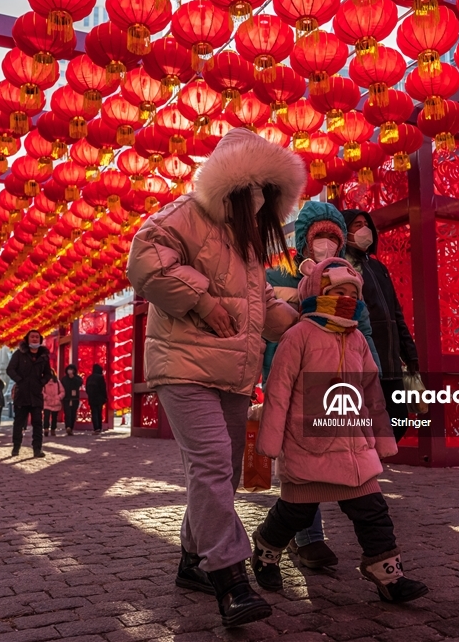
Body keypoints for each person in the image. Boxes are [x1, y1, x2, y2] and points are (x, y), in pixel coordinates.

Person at [127, 127, 303, 628]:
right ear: (227, 182)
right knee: (210, 465)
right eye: (251, 190)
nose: (258, 202)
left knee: (218, 472)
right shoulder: (185, 214)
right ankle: (230, 579)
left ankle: (191, 561)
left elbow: (258, 304)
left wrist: (299, 321)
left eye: (267, 194)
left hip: (231, 372)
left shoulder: (249, 243)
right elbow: (144, 261)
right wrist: (201, 299)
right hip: (182, 367)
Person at [252, 257, 429, 604]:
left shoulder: (358, 339)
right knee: (295, 513)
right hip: (308, 444)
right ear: (318, 292)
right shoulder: (298, 334)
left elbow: (372, 395)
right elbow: (279, 390)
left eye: (353, 292)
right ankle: (266, 549)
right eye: (338, 291)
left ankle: (388, 576)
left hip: (355, 447)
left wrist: (383, 440)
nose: (348, 297)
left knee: (373, 511)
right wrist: (270, 443)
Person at [264, 200, 382, 571]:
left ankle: (380, 556)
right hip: (299, 385)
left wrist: (373, 380)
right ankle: (307, 537)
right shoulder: (278, 277)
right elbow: (272, 336)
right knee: (305, 460)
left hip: (341, 387)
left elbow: (363, 331)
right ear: (304, 240)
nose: (328, 244)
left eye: (335, 238)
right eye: (320, 238)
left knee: (343, 454)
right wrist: (271, 381)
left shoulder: (348, 276)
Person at [342, 209, 420, 441]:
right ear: (344, 230)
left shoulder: (379, 268)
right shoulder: (342, 266)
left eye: (366, 224)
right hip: (364, 358)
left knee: (399, 420)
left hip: (391, 361)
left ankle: (370, 464)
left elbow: (396, 314)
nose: (364, 229)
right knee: (365, 421)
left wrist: (410, 353)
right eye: (357, 224)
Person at [6, 329, 53, 458]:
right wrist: (20, 380)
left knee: (38, 423)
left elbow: (48, 373)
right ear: (27, 339)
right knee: (19, 422)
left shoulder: (43, 356)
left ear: (40, 340)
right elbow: (10, 369)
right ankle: (16, 447)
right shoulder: (19, 354)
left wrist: (41, 382)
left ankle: (37, 449)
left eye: (37, 337)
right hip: (22, 394)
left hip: (36, 394)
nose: (34, 339)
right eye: (32, 337)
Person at [84, 364, 108, 435]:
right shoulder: (100, 377)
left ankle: (96, 428)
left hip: (92, 398)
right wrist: (105, 397)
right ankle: (99, 427)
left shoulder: (89, 378)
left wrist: (90, 395)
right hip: (99, 398)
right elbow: (103, 389)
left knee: (94, 413)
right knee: (99, 413)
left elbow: (87, 389)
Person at [60, 365, 83, 436]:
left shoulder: (78, 378)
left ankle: (71, 428)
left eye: (71, 369)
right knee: (67, 413)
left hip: (75, 398)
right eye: (68, 369)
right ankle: (68, 427)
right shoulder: (64, 379)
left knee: (73, 413)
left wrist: (73, 378)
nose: (70, 371)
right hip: (66, 398)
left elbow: (80, 383)